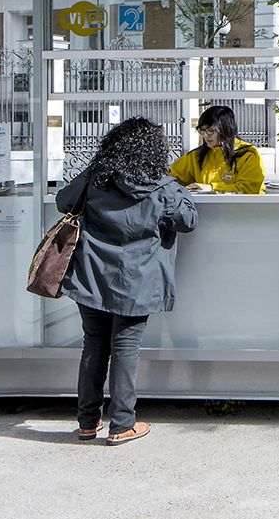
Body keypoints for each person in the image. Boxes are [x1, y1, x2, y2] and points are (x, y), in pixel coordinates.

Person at [59, 117, 197, 444]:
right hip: (137, 279)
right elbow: (188, 220)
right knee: (125, 346)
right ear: (154, 152)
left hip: (92, 275)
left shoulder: (95, 177)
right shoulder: (162, 188)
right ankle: (122, 424)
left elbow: (64, 201)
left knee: (94, 343)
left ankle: (87, 422)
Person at [169, 104, 265, 194]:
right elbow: (171, 177)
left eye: (210, 130)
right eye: (202, 130)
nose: (206, 135)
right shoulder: (196, 156)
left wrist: (212, 188)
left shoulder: (248, 155)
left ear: (226, 129)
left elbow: (249, 190)